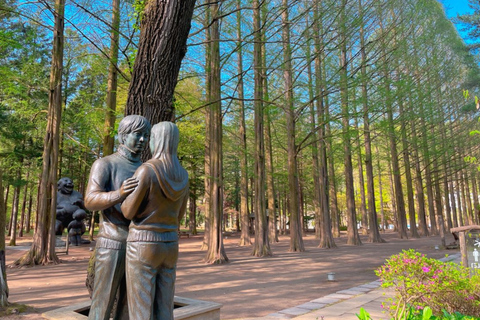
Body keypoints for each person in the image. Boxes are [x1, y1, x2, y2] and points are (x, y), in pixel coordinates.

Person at [85, 115, 151, 320]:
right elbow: (90, 200)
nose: (142, 140)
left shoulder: (145, 169)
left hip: (139, 244)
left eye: (146, 136)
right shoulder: (105, 164)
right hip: (112, 241)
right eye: (138, 135)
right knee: (103, 301)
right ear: (123, 136)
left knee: (130, 304)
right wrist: (119, 194)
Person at [121, 121, 189, 320]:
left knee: (141, 307)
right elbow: (179, 216)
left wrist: (123, 193)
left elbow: (128, 211)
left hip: (144, 243)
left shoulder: (146, 171)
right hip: (170, 243)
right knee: (165, 306)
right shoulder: (183, 175)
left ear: (156, 141)